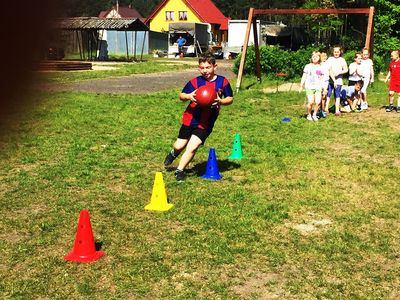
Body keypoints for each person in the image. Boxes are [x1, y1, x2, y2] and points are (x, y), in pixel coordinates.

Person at [164, 52, 234, 181]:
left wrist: (220, 101)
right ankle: (173, 153)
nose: (205, 70)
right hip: (190, 118)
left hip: (206, 122)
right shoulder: (195, 82)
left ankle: (179, 171)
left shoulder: (222, 81)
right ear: (198, 68)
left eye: (208, 67)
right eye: (202, 68)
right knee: (179, 145)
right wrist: (189, 96)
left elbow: (230, 98)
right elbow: (181, 96)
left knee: (193, 146)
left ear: (215, 67)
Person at [299, 51, 325, 121]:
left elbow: (321, 78)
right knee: (310, 102)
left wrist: (324, 88)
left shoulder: (320, 67)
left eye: (316, 56)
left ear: (319, 58)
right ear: (311, 58)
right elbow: (304, 76)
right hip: (309, 87)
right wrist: (301, 85)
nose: (314, 58)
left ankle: (314, 114)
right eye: (313, 56)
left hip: (318, 87)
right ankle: (309, 114)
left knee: (318, 102)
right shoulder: (308, 66)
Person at [325, 46, 348, 116]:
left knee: (337, 95)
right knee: (328, 94)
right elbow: (327, 68)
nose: (336, 53)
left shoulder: (342, 60)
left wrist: (339, 73)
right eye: (335, 52)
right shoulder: (330, 59)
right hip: (329, 80)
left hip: (338, 80)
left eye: (337, 52)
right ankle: (326, 109)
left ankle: (337, 110)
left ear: (340, 52)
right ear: (333, 52)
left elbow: (346, 69)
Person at [320, 51, 330, 117]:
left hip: (326, 81)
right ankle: (321, 109)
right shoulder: (319, 64)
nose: (324, 57)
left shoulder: (327, 64)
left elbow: (330, 71)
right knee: (320, 96)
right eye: (323, 56)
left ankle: (323, 108)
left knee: (324, 96)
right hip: (320, 82)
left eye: (325, 56)